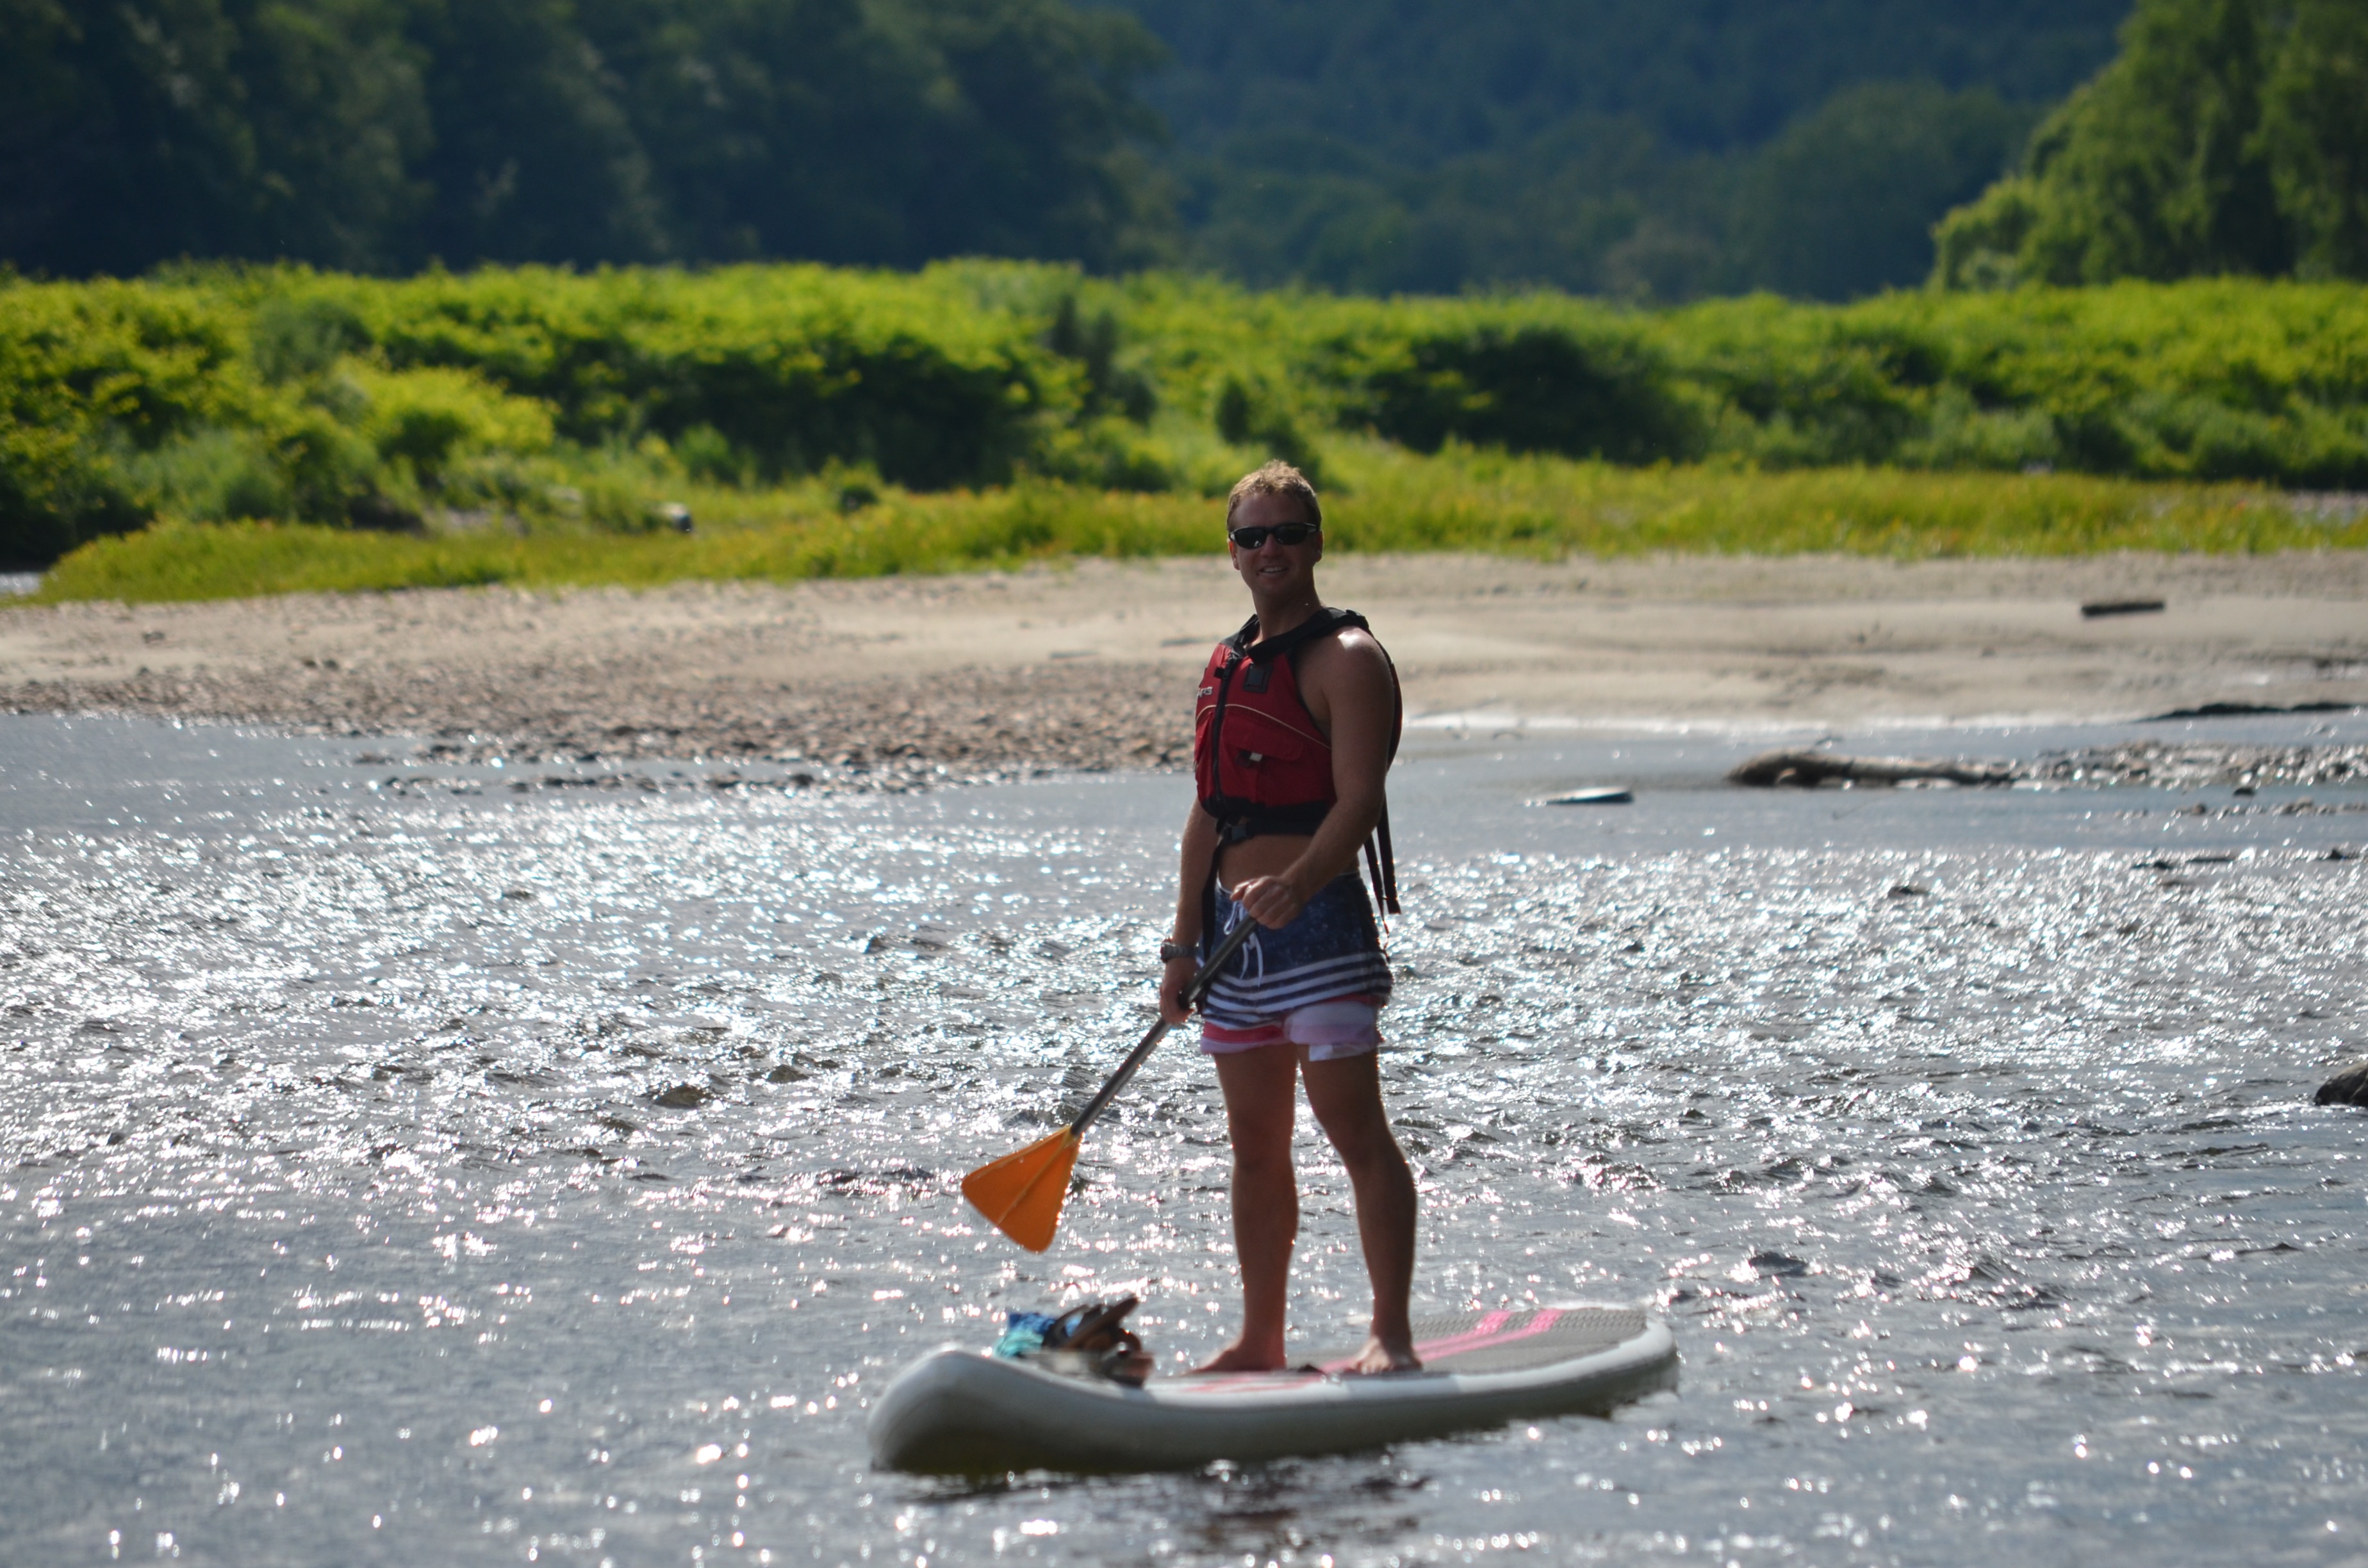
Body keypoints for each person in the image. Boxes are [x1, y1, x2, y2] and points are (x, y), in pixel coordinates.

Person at [1160, 460, 1421, 1375]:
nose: (1270, 549)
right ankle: (1259, 1340)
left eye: (1288, 533)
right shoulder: (1227, 665)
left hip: (1319, 935)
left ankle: (1390, 1337)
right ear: (1231, 553)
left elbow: (1359, 801)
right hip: (1234, 953)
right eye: (1252, 536)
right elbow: (1207, 814)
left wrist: (1302, 882)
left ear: (1317, 543)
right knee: (1256, 1152)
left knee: (1355, 1134)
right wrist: (1181, 948)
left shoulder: (1349, 660)